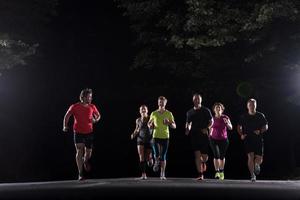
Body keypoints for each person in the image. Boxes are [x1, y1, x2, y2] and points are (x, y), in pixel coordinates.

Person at [63, 88, 101, 181]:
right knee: (79, 150)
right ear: (83, 97)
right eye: (89, 97)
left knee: (88, 153)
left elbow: (99, 116)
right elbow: (67, 115)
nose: (90, 99)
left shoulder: (92, 106)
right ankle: (80, 174)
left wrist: (95, 120)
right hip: (78, 132)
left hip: (89, 132)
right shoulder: (74, 106)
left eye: (91, 97)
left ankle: (86, 160)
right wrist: (65, 125)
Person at [237, 98, 268, 182]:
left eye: (253, 104)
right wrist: (241, 134)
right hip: (248, 138)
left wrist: (260, 131)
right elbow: (239, 127)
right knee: (250, 156)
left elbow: (266, 126)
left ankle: (257, 164)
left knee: (259, 159)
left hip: (258, 139)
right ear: (247, 106)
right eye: (250, 104)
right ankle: (252, 175)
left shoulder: (260, 115)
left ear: (256, 105)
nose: (252, 106)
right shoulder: (243, 116)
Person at [185, 94, 213, 180]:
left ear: (201, 100)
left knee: (204, 157)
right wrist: (187, 129)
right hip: (194, 135)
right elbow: (188, 123)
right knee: (197, 155)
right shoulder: (189, 112)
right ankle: (200, 174)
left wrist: (207, 128)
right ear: (193, 100)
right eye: (195, 99)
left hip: (204, 135)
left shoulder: (206, 110)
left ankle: (204, 162)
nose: (197, 100)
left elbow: (211, 121)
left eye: (198, 99)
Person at [148, 96, 176, 180]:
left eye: (163, 102)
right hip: (155, 136)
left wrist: (169, 123)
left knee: (163, 156)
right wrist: (150, 125)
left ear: (165, 103)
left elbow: (174, 126)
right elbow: (149, 124)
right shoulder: (153, 113)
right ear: (158, 103)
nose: (161, 103)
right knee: (156, 154)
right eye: (160, 101)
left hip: (165, 136)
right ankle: (156, 161)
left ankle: (162, 173)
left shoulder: (169, 113)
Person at [209, 102, 233, 180]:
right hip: (213, 139)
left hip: (224, 140)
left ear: (222, 109)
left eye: (219, 107)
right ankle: (217, 172)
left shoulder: (225, 117)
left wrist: (227, 124)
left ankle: (222, 172)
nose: (218, 109)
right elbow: (209, 128)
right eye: (216, 108)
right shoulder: (212, 118)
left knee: (222, 157)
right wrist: (209, 134)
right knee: (216, 155)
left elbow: (230, 127)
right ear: (214, 110)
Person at [131, 105, 153, 180]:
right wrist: (133, 134)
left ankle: (150, 159)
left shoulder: (151, 118)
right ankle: (143, 174)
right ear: (140, 111)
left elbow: (153, 127)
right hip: (140, 139)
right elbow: (137, 129)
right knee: (141, 156)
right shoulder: (138, 120)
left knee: (148, 158)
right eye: (141, 109)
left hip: (149, 139)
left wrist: (151, 125)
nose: (143, 110)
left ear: (147, 110)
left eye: (144, 109)